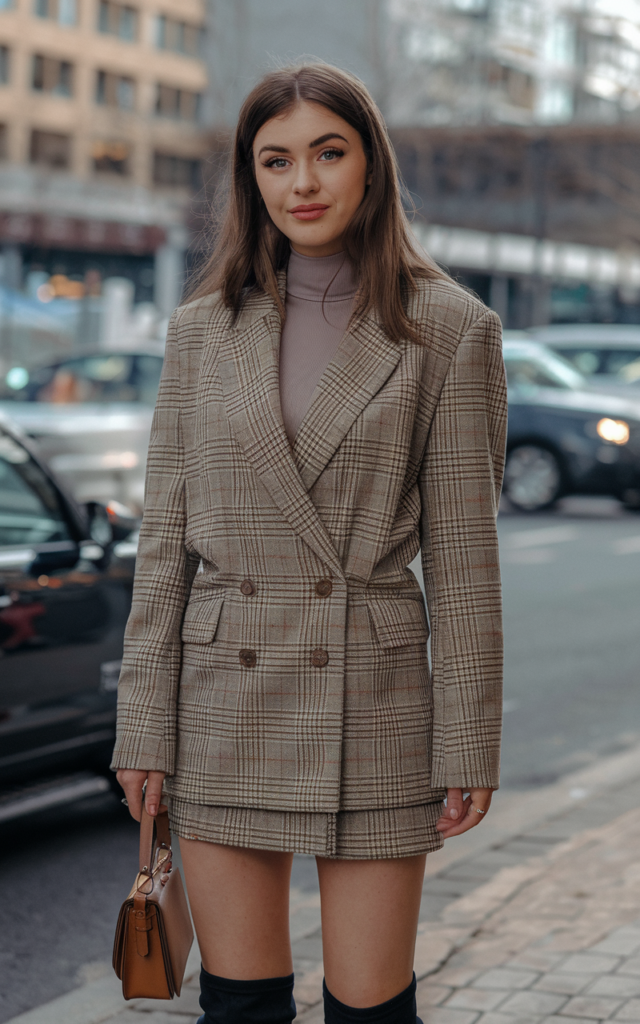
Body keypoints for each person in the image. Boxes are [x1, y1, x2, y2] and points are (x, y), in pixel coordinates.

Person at [113, 62, 507, 1024]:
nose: (303, 183)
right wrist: (143, 727)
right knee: (238, 1008)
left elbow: (462, 560)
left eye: (328, 153)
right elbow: (164, 543)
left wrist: (469, 737)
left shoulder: (449, 328)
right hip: (221, 698)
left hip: (371, 704)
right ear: (251, 180)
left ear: (371, 164)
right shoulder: (202, 331)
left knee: (371, 1010)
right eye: (275, 160)